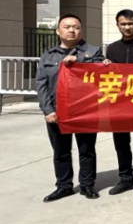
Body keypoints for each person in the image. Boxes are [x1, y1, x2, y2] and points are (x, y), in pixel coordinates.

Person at [36, 14, 104, 202]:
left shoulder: (93, 52)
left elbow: (101, 72)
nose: (72, 30)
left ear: (81, 30)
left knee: (87, 150)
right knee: (61, 151)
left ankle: (87, 185)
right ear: (58, 31)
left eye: (76, 27)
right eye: (67, 27)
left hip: (85, 111)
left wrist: (78, 62)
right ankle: (64, 186)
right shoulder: (48, 56)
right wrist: (48, 110)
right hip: (57, 112)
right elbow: (41, 84)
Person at [103, 9, 133, 196]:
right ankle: (125, 178)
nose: (127, 27)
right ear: (117, 26)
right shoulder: (112, 49)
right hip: (119, 105)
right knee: (121, 143)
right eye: (123, 24)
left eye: (130, 23)